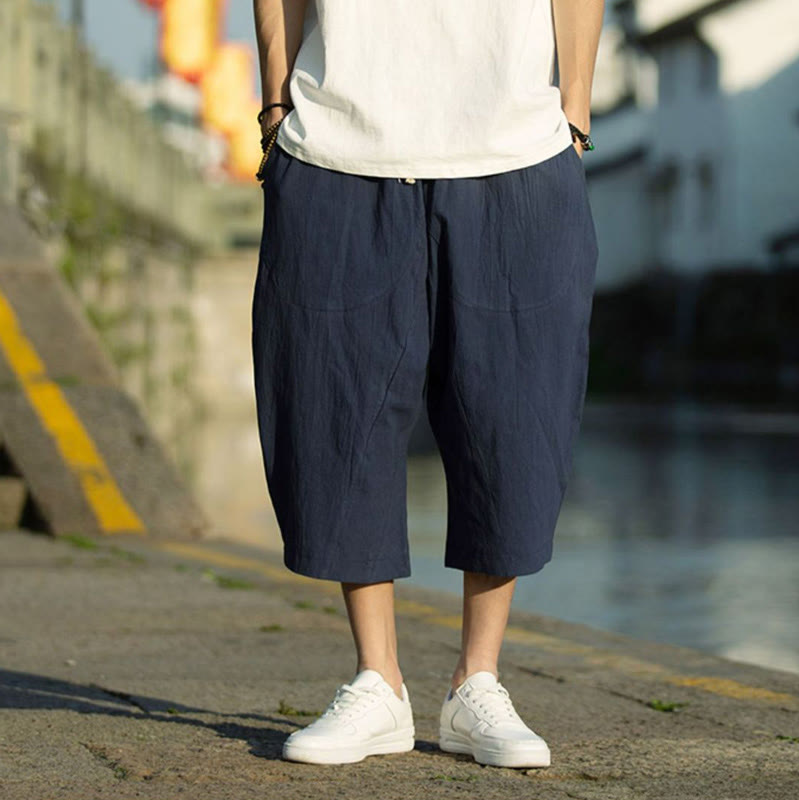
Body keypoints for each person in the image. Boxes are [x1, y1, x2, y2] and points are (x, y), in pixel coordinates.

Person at [252, 0, 604, 769]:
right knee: (331, 414)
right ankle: (376, 680)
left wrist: (574, 112)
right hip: (334, 147)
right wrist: (276, 105)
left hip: (517, 145)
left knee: (515, 419)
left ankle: (479, 682)